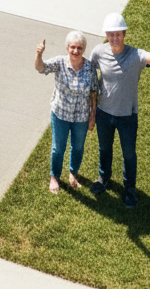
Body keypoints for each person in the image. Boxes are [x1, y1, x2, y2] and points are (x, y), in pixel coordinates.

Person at [88, 11, 150, 208]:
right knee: (104, 148)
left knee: (129, 154)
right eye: (111, 34)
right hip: (104, 113)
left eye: (118, 34)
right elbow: (89, 75)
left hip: (127, 116)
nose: (114, 38)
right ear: (106, 34)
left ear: (124, 34)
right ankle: (103, 178)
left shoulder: (135, 55)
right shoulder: (98, 52)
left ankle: (129, 189)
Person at [35, 31, 98, 193]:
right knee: (58, 147)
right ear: (67, 47)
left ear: (84, 49)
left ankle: (73, 173)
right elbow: (41, 69)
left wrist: (92, 116)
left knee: (78, 147)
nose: (75, 51)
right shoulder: (59, 62)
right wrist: (39, 55)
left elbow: (93, 92)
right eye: (72, 47)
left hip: (81, 117)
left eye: (79, 48)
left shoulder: (90, 67)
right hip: (60, 114)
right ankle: (54, 177)